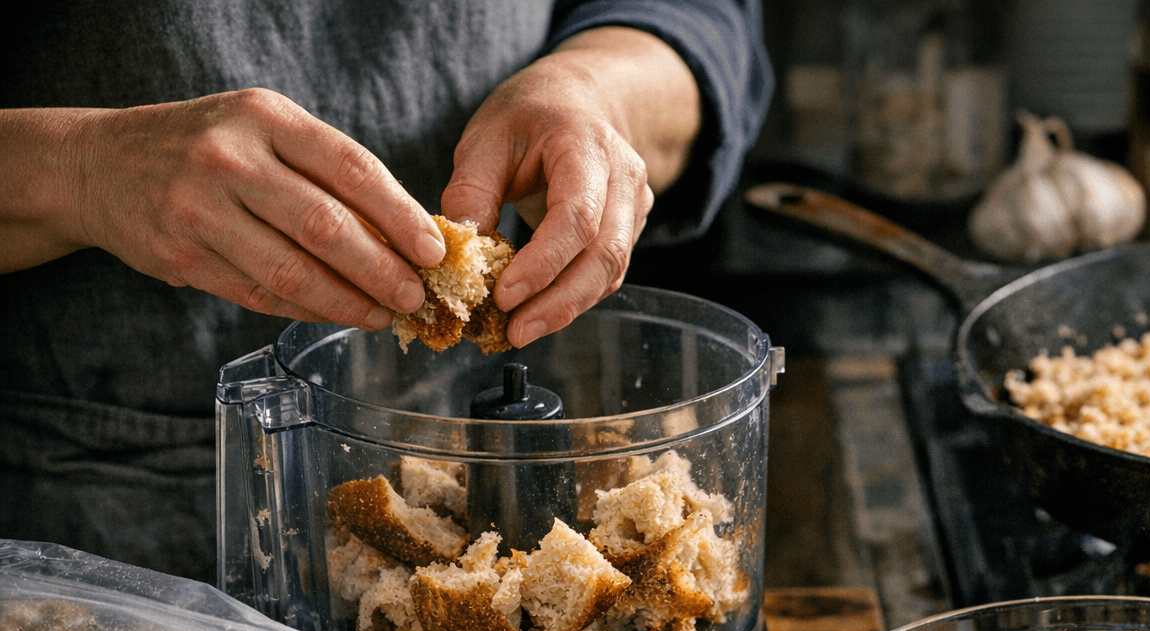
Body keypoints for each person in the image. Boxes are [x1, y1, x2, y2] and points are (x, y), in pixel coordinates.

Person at [0, 1, 771, 582]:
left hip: (490, 428)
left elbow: (700, 20)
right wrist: (77, 169)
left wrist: (599, 91)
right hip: (82, 520)